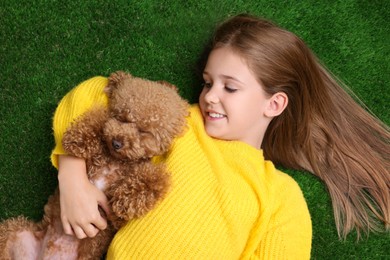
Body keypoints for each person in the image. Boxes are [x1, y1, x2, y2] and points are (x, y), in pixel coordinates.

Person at [50, 14, 389, 259]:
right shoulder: (181, 123)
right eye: (208, 82)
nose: (211, 95)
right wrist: (72, 177)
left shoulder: (279, 195)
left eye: (230, 87)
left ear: (274, 103)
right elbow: (94, 92)